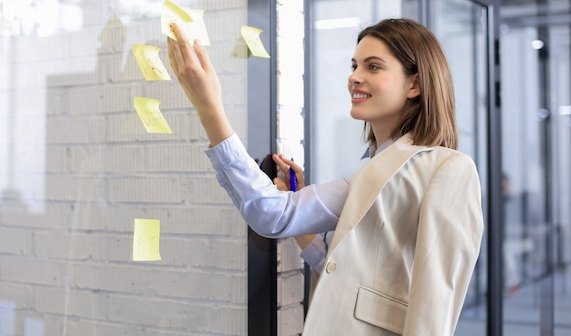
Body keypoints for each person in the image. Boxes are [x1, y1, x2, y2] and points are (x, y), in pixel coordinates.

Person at [166, 18, 484, 336]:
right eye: (354, 65)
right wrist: (304, 210)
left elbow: (435, 308)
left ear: (414, 85)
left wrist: (209, 106)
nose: (354, 77)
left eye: (373, 67)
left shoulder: (448, 168)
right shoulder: (374, 168)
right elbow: (346, 274)